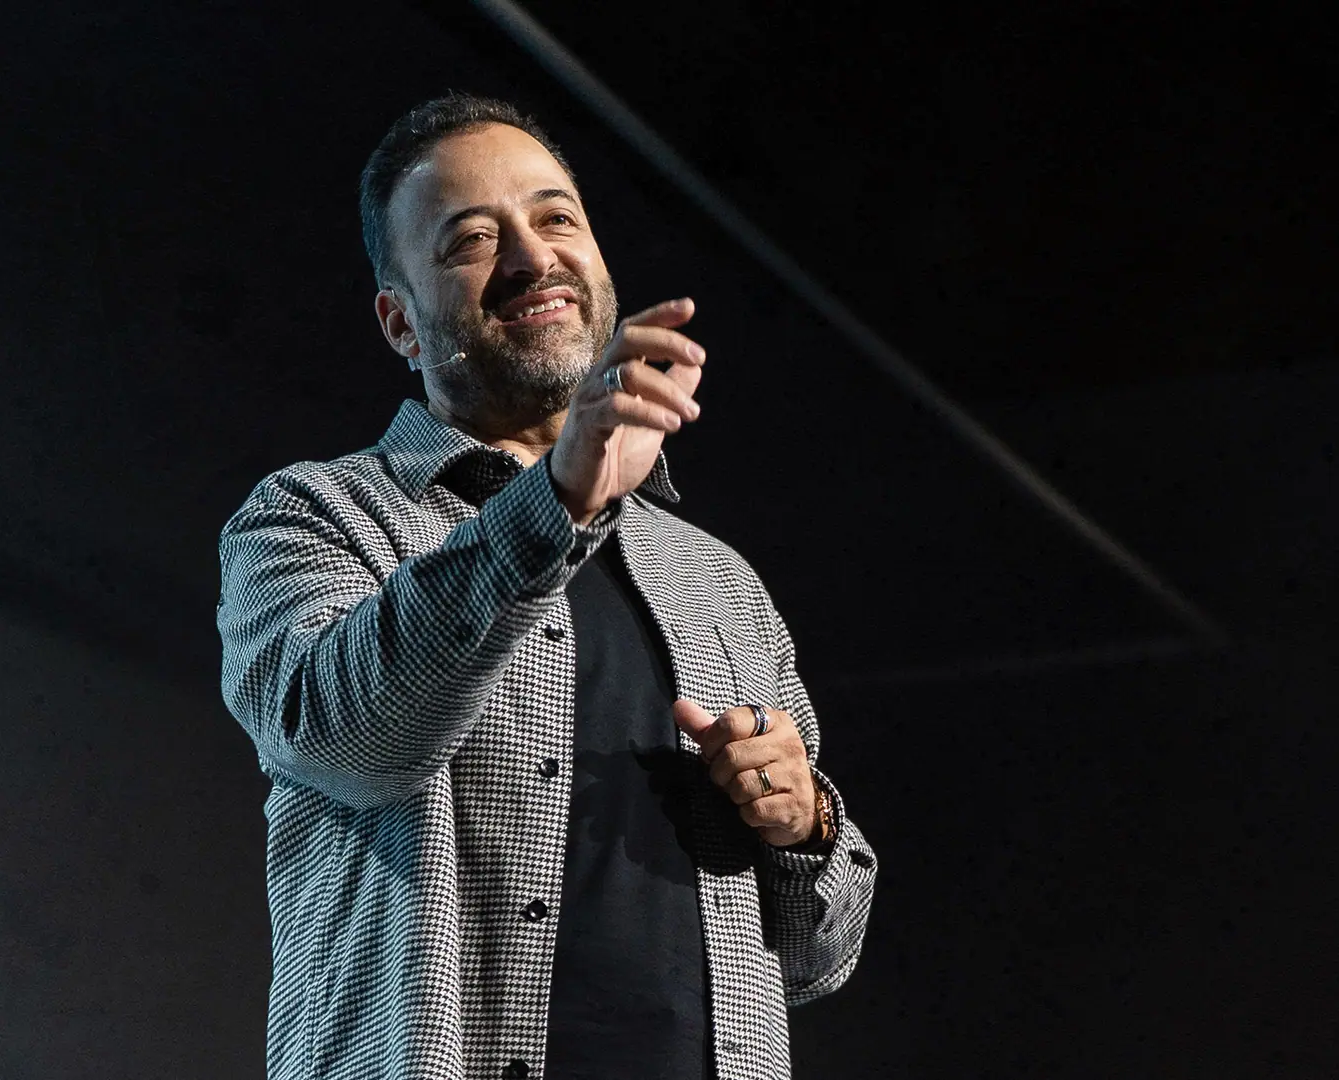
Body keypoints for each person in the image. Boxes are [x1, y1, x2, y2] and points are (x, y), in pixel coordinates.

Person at [216, 93, 876, 1080]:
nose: (533, 258)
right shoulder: (313, 515)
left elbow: (817, 960)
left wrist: (803, 825)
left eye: (556, 217)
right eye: (472, 240)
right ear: (400, 322)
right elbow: (344, 739)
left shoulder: (717, 579)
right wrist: (556, 498)